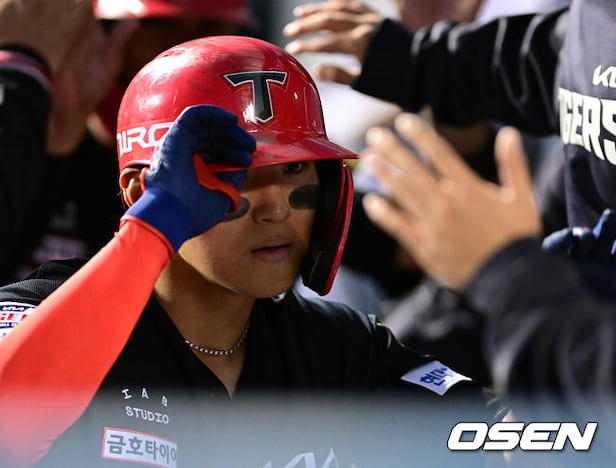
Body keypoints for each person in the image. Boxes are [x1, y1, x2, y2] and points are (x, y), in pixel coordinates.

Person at [0, 36, 490, 468]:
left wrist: (523, 287)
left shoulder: (338, 347)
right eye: (238, 174)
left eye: (295, 169)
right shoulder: (38, 312)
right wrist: (154, 228)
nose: (276, 208)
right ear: (140, 191)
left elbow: (506, 435)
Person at [2, 0, 258, 283]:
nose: (183, 47)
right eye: (159, 25)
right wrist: (62, 138)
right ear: (105, 32)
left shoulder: (247, 160)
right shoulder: (30, 148)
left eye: (209, 27)